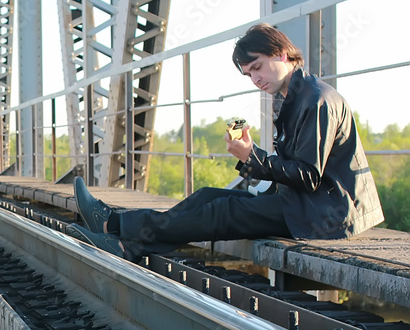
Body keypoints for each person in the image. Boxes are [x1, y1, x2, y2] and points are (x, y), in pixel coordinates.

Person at [66, 23, 385, 262]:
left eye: (258, 67)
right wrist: (249, 157)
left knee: (224, 210)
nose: (255, 79)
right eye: (248, 74)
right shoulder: (291, 97)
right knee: (206, 196)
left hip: (327, 213)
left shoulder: (315, 101)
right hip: (306, 204)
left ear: (281, 53)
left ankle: (112, 223)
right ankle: (126, 244)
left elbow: (308, 176)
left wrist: (253, 157)